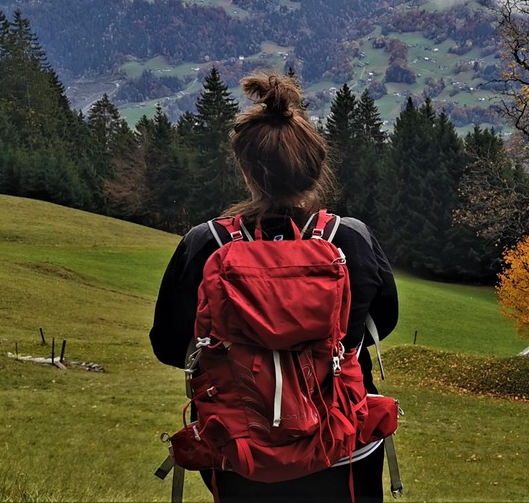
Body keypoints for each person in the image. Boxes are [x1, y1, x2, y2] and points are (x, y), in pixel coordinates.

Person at [150, 71, 398, 502]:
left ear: (246, 170)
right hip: (344, 447)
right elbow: (386, 320)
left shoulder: (205, 243)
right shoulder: (352, 237)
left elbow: (170, 346)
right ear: (317, 167)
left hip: (240, 452)